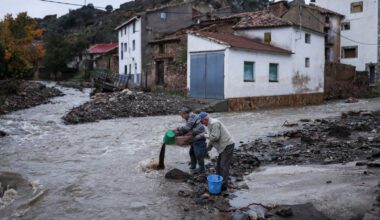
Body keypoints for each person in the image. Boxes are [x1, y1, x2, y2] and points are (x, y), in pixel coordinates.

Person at [198, 112, 234, 191]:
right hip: (222, 147)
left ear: (206, 119)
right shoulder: (209, 125)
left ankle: (223, 186)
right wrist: (207, 149)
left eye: (202, 122)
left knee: (223, 166)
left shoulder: (214, 123)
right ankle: (218, 182)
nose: (202, 124)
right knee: (218, 166)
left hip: (227, 145)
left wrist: (204, 135)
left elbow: (215, 137)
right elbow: (212, 139)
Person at [174, 107, 206, 173]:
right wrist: (179, 133)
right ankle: (193, 165)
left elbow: (187, 128)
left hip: (200, 136)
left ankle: (201, 168)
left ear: (185, 113)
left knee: (198, 153)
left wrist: (178, 129)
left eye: (182, 115)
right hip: (194, 136)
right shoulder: (188, 118)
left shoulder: (192, 116)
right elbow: (189, 129)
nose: (182, 117)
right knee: (191, 152)